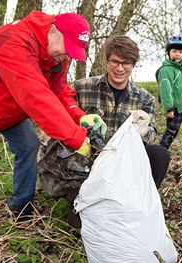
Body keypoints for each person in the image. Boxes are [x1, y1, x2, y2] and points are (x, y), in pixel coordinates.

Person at [0, 11, 106, 263]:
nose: (67, 56)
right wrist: (75, 138)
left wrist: (78, 116)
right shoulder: (14, 41)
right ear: (53, 31)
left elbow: (57, 90)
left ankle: (20, 211)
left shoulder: (57, 55)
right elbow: (35, 95)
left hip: (5, 107)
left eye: (72, 52)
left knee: (29, 147)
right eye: (66, 48)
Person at [66, 35, 171, 228]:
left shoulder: (144, 98)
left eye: (127, 63)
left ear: (133, 65)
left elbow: (153, 133)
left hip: (124, 166)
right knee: (78, 223)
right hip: (88, 166)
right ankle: (83, 202)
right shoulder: (83, 87)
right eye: (115, 61)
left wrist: (143, 131)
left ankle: (138, 205)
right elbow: (64, 119)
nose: (120, 68)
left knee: (159, 154)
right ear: (107, 60)